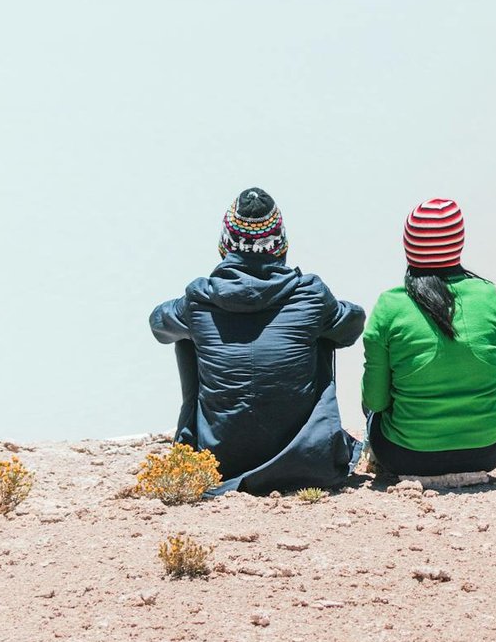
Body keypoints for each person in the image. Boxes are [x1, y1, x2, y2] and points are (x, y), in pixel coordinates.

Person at [149, 188, 365, 494]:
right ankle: (304, 443)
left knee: (186, 335)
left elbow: (158, 325)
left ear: (225, 245)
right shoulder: (310, 295)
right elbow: (352, 326)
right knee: (320, 334)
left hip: (219, 461)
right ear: (281, 245)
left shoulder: (199, 300)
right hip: (304, 461)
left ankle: (193, 446)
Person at [359, 198, 496, 481]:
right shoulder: (490, 298)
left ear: (408, 246)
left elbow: (375, 399)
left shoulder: (389, 305)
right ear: (459, 244)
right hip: (486, 452)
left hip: (405, 456)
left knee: (372, 409)